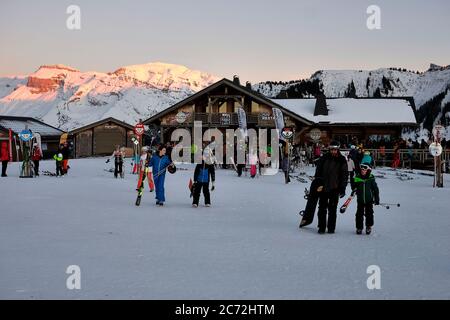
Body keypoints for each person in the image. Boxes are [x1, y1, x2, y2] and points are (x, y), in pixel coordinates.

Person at [314, 141, 348, 234]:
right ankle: (321, 227)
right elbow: (318, 172)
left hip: (335, 188)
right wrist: (318, 183)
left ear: (338, 149)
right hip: (323, 187)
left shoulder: (341, 159)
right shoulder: (324, 158)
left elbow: (344, 175)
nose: (333, 151)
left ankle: (331, 228)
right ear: (329, 149)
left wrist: (343, 188)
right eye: (332, 149)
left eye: (335, 149)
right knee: (322, 208)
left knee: (332, 209)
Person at [353, 162, 380, 235]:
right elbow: (354, 186)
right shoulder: (357, 177)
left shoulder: (371, 178)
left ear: (368, 170)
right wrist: (354, 189)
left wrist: (376, 199)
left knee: (369, 213)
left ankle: (368, 226)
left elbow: (375, 190)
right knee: (359, 214)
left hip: (369, 199)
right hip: (360, 199)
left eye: (364, 170)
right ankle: (359, 227)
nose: (362, 171)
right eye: (361, 170)